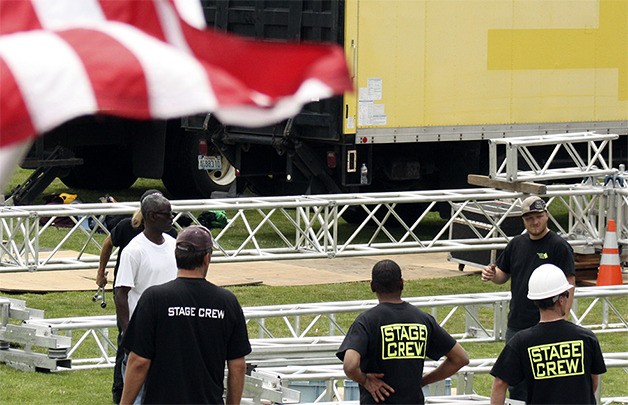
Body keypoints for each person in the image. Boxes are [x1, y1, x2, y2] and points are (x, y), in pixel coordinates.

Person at [120, 226, 251, 404]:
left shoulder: (154, 299)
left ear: (177, 257)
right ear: (207, 258)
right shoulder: (227, 302)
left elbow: (139, 362)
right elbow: (237, 365)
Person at [481, 195, 576, 401]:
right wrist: (492, 275)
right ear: (523, 220)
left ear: (546, 216)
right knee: (516, 384)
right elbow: (503, 274)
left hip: (549, 324)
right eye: (529, 218)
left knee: (548, 383)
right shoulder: (516, 244)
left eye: (539, 216)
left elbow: (569, 283)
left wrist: (563, 317)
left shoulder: (558, 246)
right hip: (517, 325)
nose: (535, 222)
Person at [336, 259, 469, 404]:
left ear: (372, 286)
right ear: (402, 284)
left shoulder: (366, 321)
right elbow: (460, 358)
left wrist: (366, 381)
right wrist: (423, 381)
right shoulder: (423, 319)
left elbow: (350, 365)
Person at [96, 189, 176, 404]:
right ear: (151, 216)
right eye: (167, 214)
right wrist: (129, 333)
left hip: (168, 329)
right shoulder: (134, 249)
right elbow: (121, 294)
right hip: (140, 329)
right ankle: (118, 394)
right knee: (136, 392)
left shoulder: (173, 243)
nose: (172, 218)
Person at [490, 264, 606, 404]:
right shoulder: (587, 338)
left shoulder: (521, 341)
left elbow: (499, 384)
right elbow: (593, 383)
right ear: (561, 300)